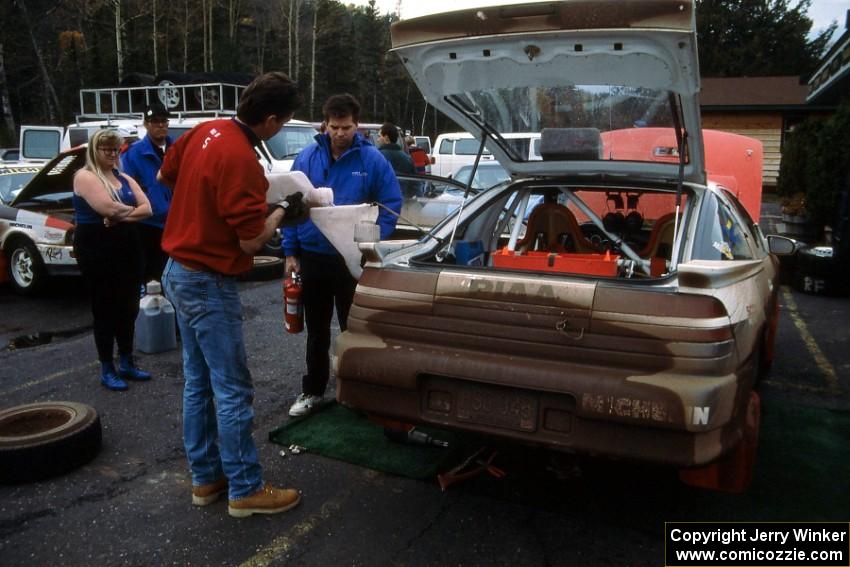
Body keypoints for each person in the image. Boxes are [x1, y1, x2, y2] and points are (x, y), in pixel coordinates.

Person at [158, 72, 305, 518]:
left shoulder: (206, 129)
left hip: (177, 269)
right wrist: (281, 211)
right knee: (232, 388)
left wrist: (207, 208)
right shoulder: (242, 158)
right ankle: (245, 488)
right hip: (207, 279)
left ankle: (206, 479)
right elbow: (250, 241)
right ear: (273, 120)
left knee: (199, 384)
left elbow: (167, 176)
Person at [284, 94, 403, 417]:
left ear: (357, 125)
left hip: (352, 259)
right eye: (334, 127)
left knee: (355, 328)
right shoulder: (307, 158)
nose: (340, 133)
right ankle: (313, 391)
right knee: (317, 329)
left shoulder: (373, 160)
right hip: (313, 256)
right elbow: (291, 208)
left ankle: (359, 391)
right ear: (325, 125)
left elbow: (391, 205)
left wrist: (372, 244)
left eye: (346, 127)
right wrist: (290, 251)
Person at [72, 129, 154, 391]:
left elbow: (148, 209)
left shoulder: (125, 177)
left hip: (128, 246)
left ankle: (127, 361)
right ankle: (107, 366)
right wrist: (125, 213)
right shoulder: (85, 176)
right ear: (94, 151)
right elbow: (107, 208)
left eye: (115, 149)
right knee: (105, 308)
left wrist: (120, 217)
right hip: (97, 247)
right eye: (105, 149)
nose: (111, 153)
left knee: (129, 306)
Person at [121, 103, 174, 285]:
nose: (161, 125)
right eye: (155, 122)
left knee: (176, 276)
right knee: (152, 276)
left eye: (164, 121)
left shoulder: (177, 149)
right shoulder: (133, 153)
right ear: (146, 124)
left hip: (176, 223)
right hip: (148, 226)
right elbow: (125, 186)